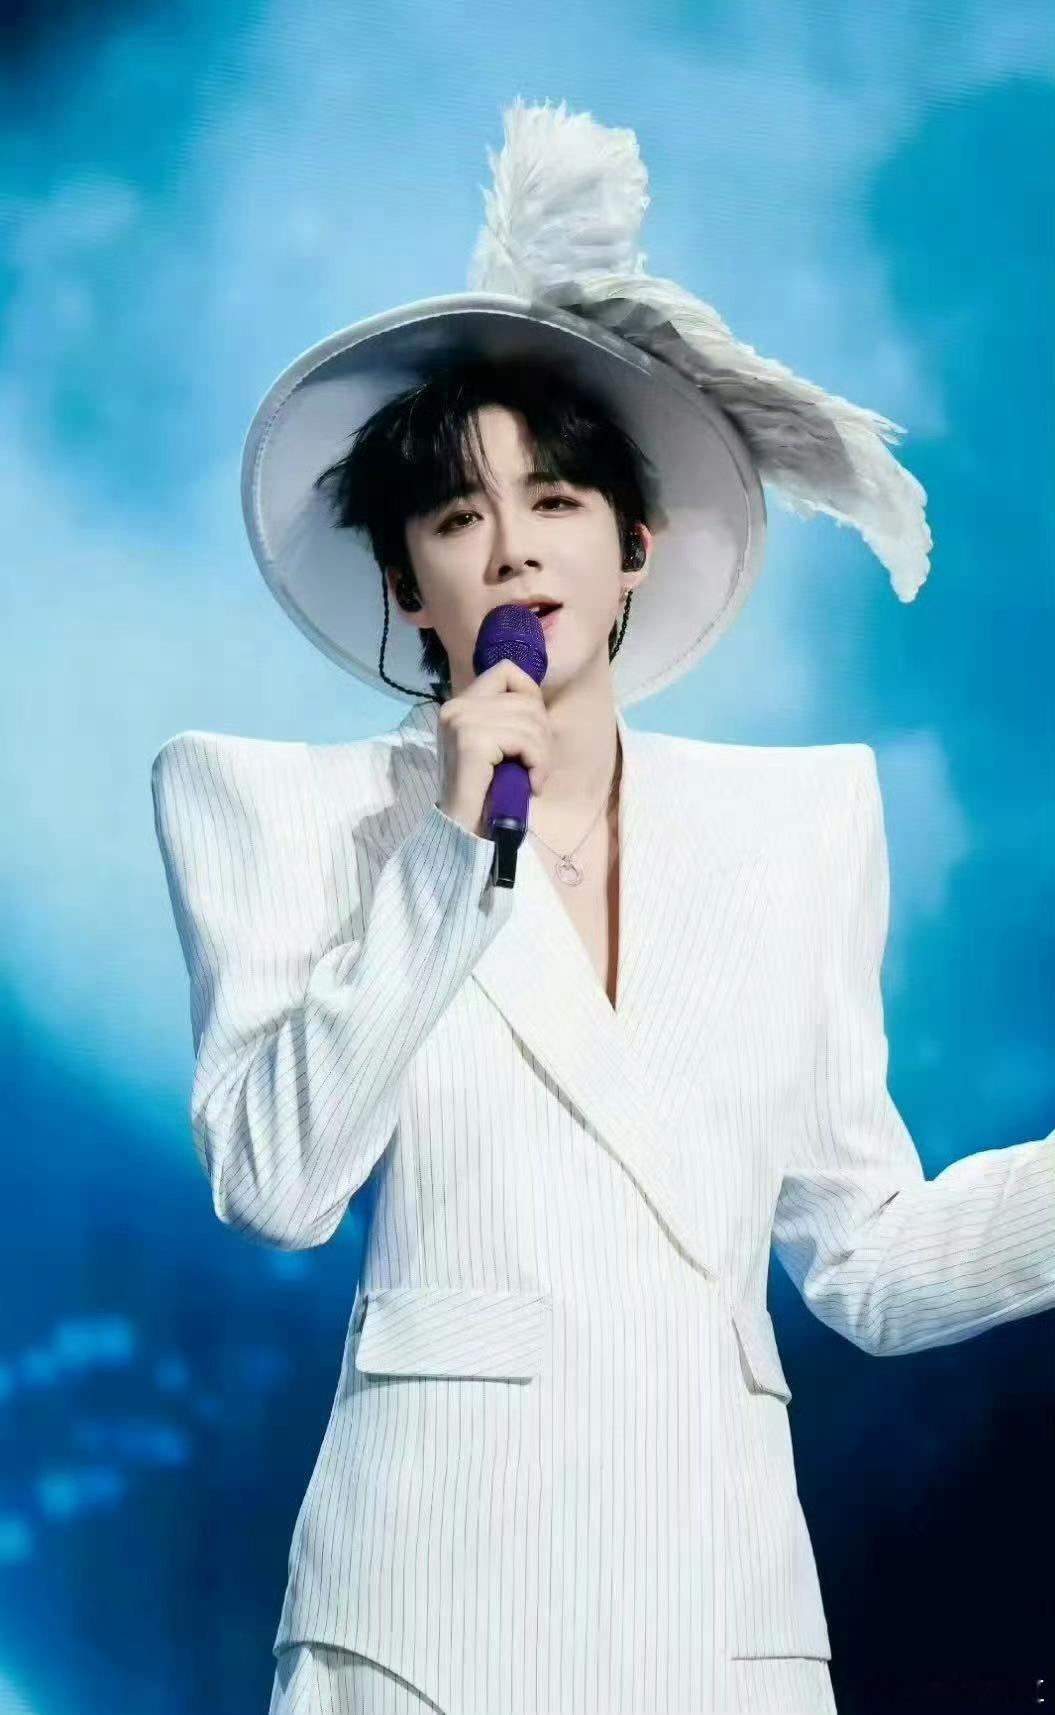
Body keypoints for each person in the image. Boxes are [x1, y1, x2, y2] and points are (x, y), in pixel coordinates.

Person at [150, 100, 1055, 1715]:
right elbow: (276, 1183)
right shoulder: (277, 808)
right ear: (406, 583)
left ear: (634, 547)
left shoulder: (797, 829)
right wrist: (446, 849)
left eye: (558, 501)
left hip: (720, 1616)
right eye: (457, 517)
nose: (514, 549)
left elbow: (867, 1259)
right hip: (423, 1617)